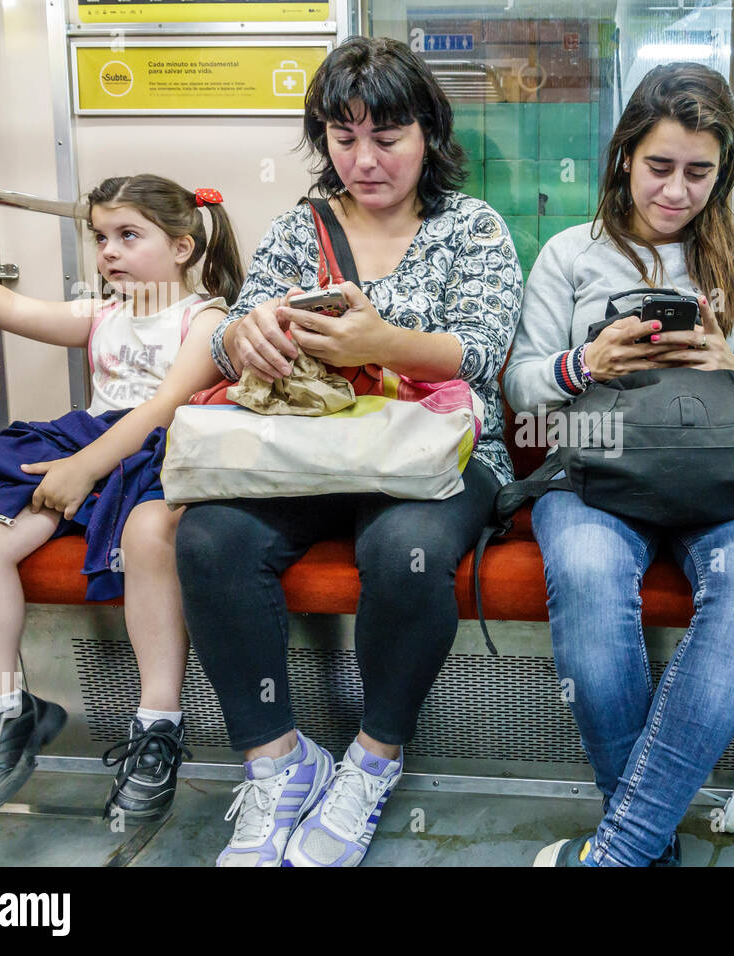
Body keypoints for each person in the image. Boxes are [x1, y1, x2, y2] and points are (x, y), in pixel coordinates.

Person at [176, 36, 521, 867]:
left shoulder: (472, 228)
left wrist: (382, 339)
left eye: (387, 137)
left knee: (402, 550)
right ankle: (279, 763)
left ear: (429, 135)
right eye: (343, 137)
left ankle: (373, 759)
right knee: (210, 539)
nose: (363, 160)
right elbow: (231, 337)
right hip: (310, 449)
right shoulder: (304, 228)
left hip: (436, 447)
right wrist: (248, 332)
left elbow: (482, 353)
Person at [505, 62, 734, 866]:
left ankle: (626, 848)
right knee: (592, 583)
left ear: (722, 171)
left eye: (698, 173)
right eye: (659, 167)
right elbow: (524, 389)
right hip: (599, 469)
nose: (675, 191)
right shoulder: (571, 255)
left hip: (729, 478)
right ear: (625, 160)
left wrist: (729, 363)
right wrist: (586, 363)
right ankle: (647, 841)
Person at [0, 174, 242, 823]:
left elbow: (163, 408)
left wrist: (81, 469)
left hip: (158, 453)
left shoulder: (207, 318)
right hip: (91, 445)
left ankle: (157, 726)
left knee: (147, 536)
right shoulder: (101, 313)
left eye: (128, 236)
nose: (107, 252)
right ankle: (2, 715)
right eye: (100, 237)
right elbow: (3, 305)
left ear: (184, 247)